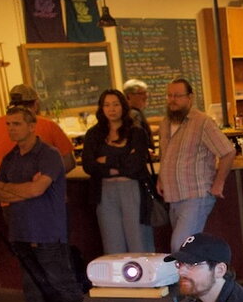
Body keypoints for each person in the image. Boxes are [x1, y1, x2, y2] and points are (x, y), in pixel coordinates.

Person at [0, 105, 101, 302]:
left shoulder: (48, 154)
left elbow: (37, 190)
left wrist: (14, 189)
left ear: (32, 126)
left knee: (63, 284)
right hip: (20, 231)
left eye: (16, 123)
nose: (11, 128)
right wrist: (24, 189)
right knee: (42, 283)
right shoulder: (10, 157)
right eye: (8, 124)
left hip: (48, 231)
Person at [155, 79, 235, 250]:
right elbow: (165, 155)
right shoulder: (165, 123)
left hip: (196, 195)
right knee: (186, 249)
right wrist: (161, 179)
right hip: (173, 195)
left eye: (178, 95)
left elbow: (228, 152)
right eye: (169, 95)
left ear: (190, 98)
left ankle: (190, 277)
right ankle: (196, 276)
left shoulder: (203, 122)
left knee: (180, 246)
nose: (172, 100)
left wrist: (219, 183)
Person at [81, 89, 155, 256]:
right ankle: (118, 282)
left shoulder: (136, 132)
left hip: (132, 188)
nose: (111, 109)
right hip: (104, 191)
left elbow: (135, 165)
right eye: (107, 105)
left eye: (115, 104)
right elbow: (89, 165)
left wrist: (106, 161)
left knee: (138, 240)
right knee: (112, 244)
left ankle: (145, 281)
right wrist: (122, 161)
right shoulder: (93, 134)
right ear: (101, 108)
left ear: (123, 106)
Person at [0, 84, 76, 172]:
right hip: (44, 187)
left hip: (9, 186)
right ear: (35, 104)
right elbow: (69, 163)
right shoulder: (49, 125)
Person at [122, 79, 153, 146]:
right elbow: (137, 134)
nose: (146, 96)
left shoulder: (133, 112)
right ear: (128, 96)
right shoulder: (133, 114)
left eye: (146, 92)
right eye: (141, 93)